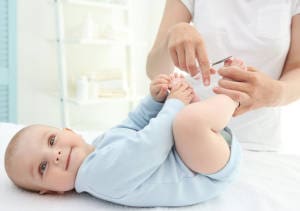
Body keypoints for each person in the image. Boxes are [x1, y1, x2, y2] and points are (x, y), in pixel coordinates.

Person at [5, 71, 241, 207]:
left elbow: (134, 124)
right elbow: (151, 145)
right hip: (205, 171)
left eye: (52, 140)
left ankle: (224, 90)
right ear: (51, 191)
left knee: (185, 118)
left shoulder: (98, 146)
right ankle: (235, 98)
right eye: (43, 167)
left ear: (69, 131)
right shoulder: (96, 175)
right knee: (185, 121)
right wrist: (175, 103)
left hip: (200, 149)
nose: (54, 155)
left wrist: (155, 101)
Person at [147, 0, 300, 151]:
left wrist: (276, 92)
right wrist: (174, 33)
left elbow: (297, 67)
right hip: (189, 138)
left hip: (259, 142)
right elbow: (154, 70)